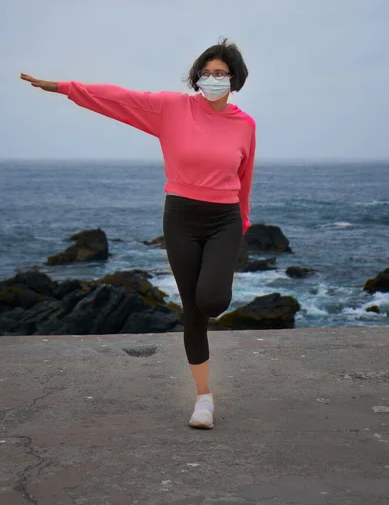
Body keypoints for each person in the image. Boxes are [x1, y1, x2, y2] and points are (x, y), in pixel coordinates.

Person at [20, 37, 256, 430]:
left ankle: (205, 377)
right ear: (197, 77)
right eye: (207, 73)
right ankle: (204, 399)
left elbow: (244, 178)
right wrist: (64, 88)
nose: (213, 79)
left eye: (221, 74)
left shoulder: (245, 125)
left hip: (224, 220)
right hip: (180, 217)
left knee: (212, 300)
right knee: (193, 313)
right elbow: (118, 98)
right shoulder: (172, 108)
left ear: (235, 80)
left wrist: (243, 223)